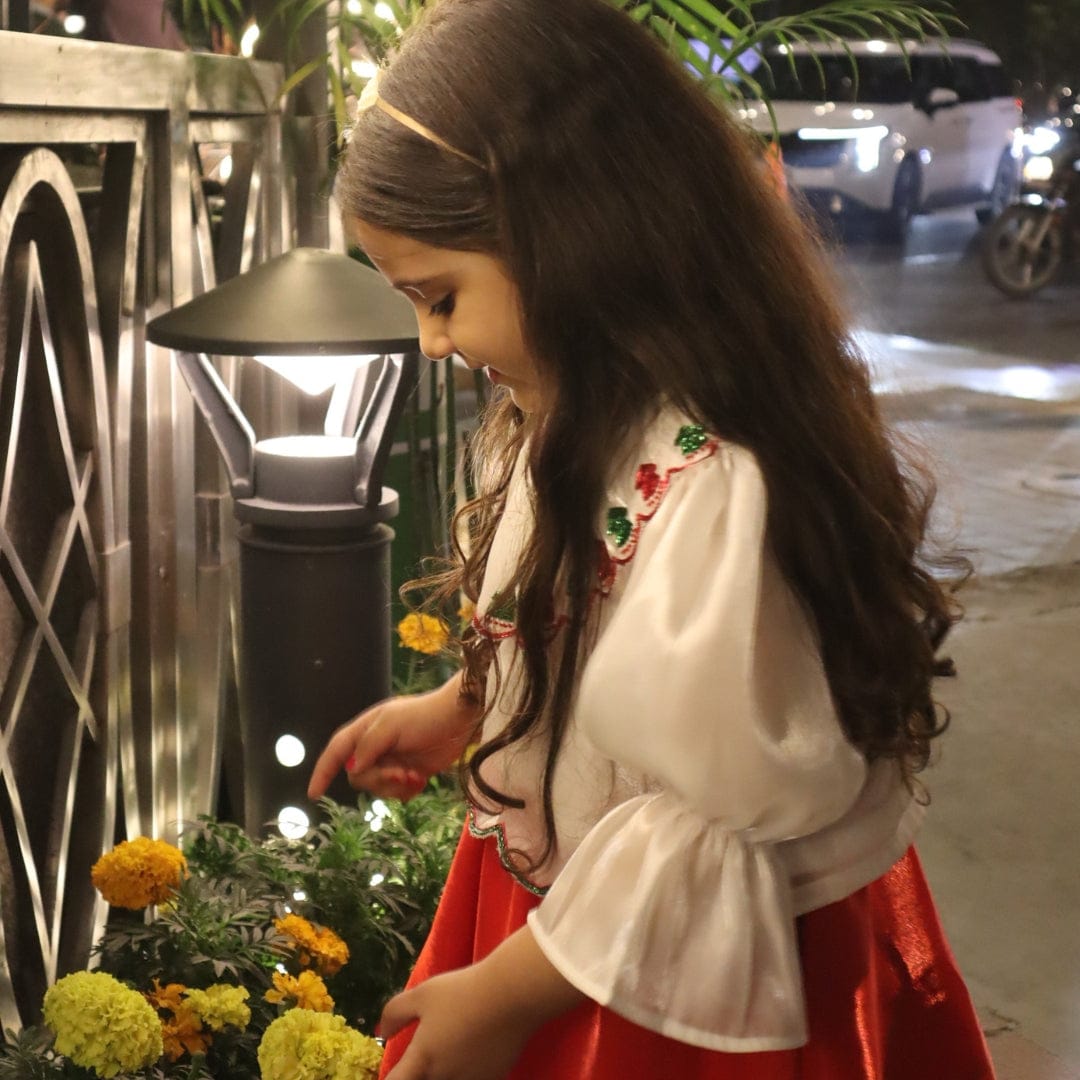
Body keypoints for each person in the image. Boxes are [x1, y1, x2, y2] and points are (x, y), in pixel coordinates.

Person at [308, 1, 994, 1077]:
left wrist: (511, 991)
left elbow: (717, 819)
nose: (432, 341)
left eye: (438, 298)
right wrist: (472, 707)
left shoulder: (714, 487)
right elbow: (593, 638)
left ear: (572, 238)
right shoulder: (562, 417)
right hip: (584, 920)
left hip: (682, 970)